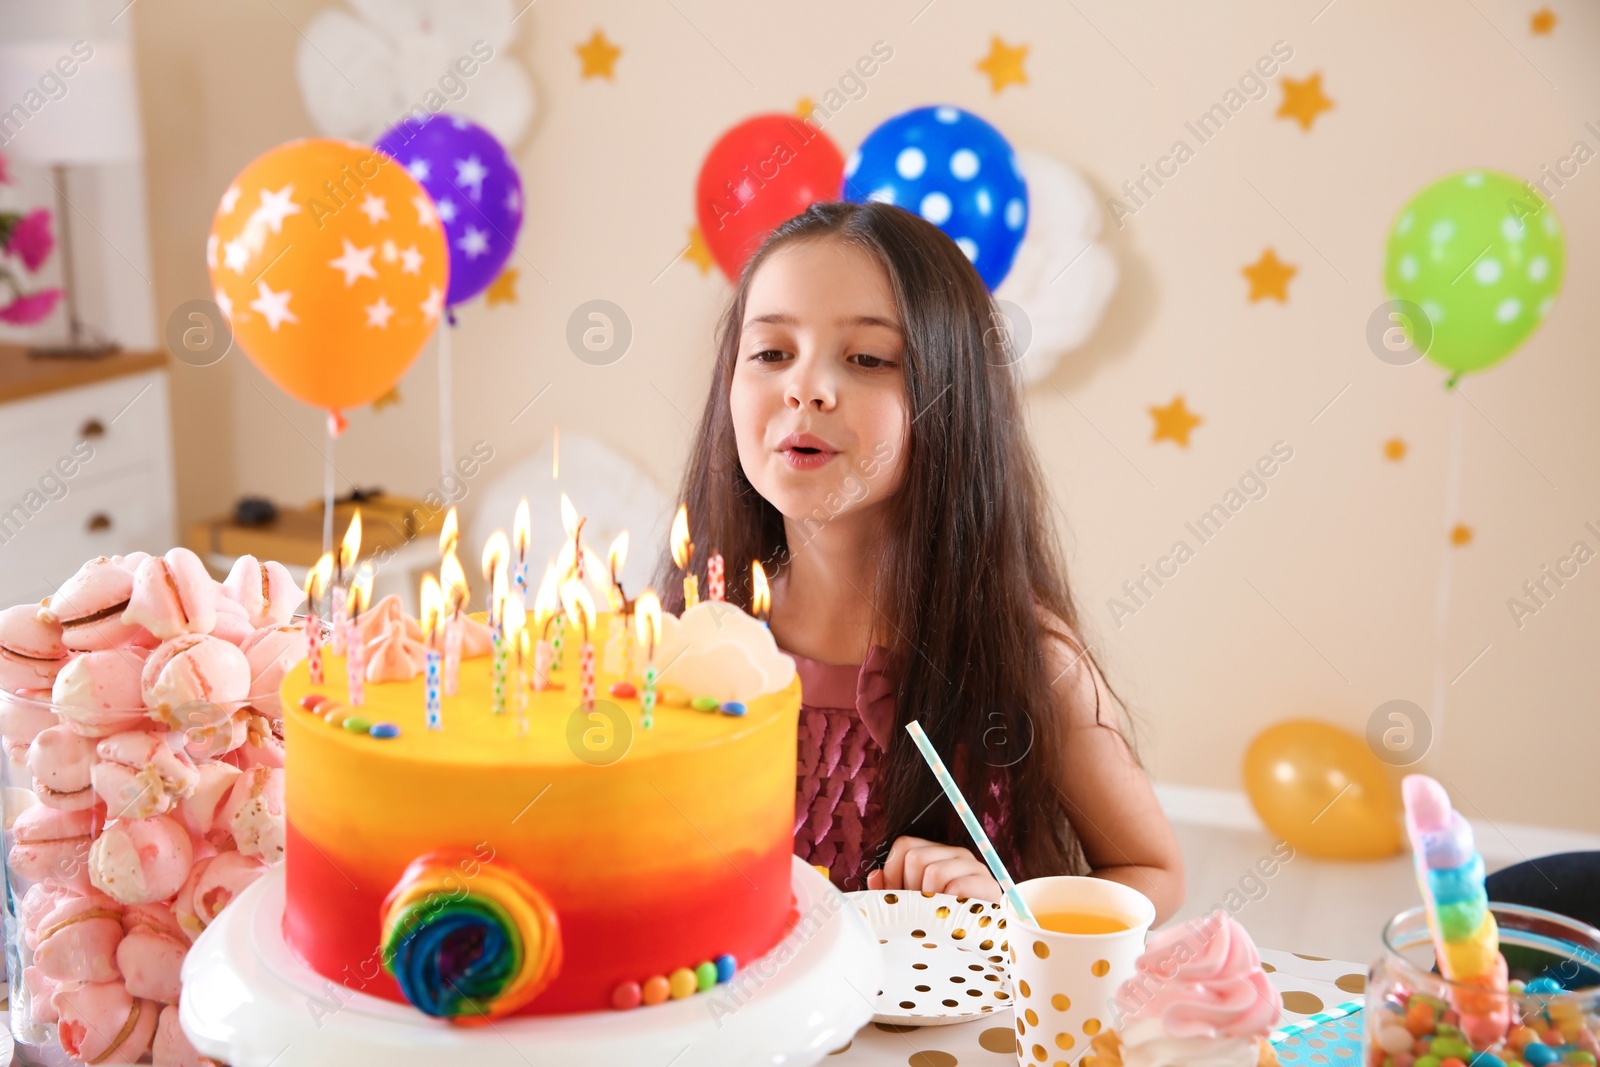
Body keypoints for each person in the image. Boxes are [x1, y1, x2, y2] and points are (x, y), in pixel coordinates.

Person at [655, 200, 1184, 925]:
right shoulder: (692, 639)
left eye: (868, 358)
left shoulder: (1027, 656)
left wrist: (1006, 907)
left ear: (948, 398)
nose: (805, 387)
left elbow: (1151, 869)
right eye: (772, 352)